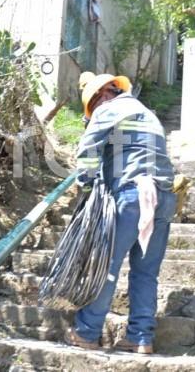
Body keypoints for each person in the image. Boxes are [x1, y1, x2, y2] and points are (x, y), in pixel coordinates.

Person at [64, 71, 176, 354]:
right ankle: (140, 337)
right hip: (163, 197)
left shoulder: (108, 110)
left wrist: (85, 187)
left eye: (93, 107)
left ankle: (86, 332)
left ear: (102, 96)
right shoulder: (147, 114)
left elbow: (88, 152)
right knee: (146, 273)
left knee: (106, 265)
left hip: (132, 195)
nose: (94, 112)